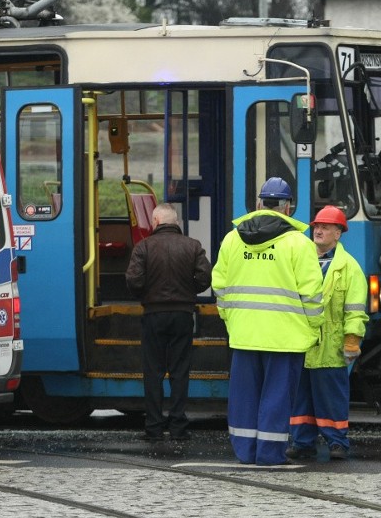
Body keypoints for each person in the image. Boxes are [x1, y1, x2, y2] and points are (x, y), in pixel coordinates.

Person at [212, 177, 324, 465]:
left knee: (244, 398)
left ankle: (245, 452)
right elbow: (312, 295)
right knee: (276, 398)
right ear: (288, 208)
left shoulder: (232, 239)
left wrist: (231, 320)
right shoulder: (299, 244)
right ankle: (270, 454)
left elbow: (220, 287)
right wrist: (314, 329)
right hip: (286, 338)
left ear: (259, 204)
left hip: (244, 335)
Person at [287, 205, 369, 460]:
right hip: (303, 344)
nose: (319, 230)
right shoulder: (302, 259)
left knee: (332, 399)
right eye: (317, 226)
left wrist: (352, 340)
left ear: (338, 233)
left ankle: (337, 442)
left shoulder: (349, 268)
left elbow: (355, 310)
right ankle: (302, 441)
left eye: (325, 227)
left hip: (331, 348)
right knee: (301, 400)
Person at [125, 203, 212, 441]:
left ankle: (153, 428)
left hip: (153, 314)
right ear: (175, 222)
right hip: (183, 314)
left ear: (155, 221)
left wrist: (145, 294)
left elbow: (133, 280)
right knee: (179, 371)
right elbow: (205, 276)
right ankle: (178, 427)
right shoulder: (192, 246)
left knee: (153, 372)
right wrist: (189, 291)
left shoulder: (144, 247)